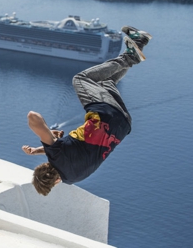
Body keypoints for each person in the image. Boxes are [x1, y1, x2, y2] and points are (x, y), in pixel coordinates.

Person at [22, 27, 152, 195]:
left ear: (56, 182)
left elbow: (71, 153)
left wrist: (40, 148)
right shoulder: (56, 155)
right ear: (42, 167)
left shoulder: (73, 177)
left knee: (107, 81)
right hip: (105, 114)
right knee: (81, 79)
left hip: (123, 124)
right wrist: (46, 133)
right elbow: (33, 117)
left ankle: (138, 43)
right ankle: (131, 56)